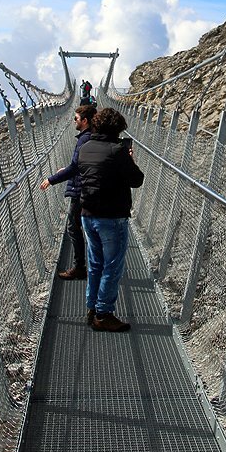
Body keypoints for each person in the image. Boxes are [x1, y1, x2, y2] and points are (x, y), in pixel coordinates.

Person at [78, 107, 144, 332]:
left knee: (95, 264)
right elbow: (136, 180)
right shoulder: (117, 151)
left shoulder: (84, 148)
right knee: (112, 266)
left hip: (87, 215)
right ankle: (103, 314)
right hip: (112, 217)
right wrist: (130, 160)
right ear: (117, 129)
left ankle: (92, 307)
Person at [39, 103, 96, 279]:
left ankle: (81, 267)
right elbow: (81, 164)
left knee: (75, 227)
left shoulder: (84, 139)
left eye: (76, 119)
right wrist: (67, 169)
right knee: (85, 227)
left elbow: (75, 167)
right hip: (87, 186)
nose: (74, 121)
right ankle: (91, 266)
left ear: (84, 121)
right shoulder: (91, 136)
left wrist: (51, 179)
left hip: (81, 189)